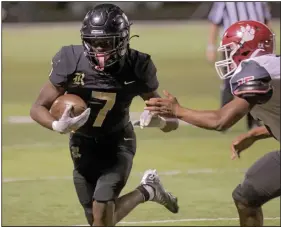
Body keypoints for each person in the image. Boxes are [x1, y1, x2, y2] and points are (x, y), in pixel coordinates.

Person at [30, 4, 179, 226]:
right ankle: (148, 190)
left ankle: (147, 190)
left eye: (106, 43)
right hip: (81, 143)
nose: (99, 49)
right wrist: (56, 125)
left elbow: (173, 121)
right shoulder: (70, 59)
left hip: (117, 143)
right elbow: (37, 107)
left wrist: (159, 121)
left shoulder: (137, 65)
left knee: (101, 217)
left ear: (122, 40)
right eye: (93, 42)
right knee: (96, 220)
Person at [145, 20, 280, 226]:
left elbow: (221, 121)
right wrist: (254, 134)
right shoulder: (271, 68)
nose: (227, 56)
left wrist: (177, 110)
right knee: (246, 196)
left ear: (244, 48)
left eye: (230, 50)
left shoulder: (256, 70)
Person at [206, 2, 272, 130]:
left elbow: (266, 21)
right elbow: (215, 21)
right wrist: (211, 46)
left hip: (255, 46)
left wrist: (268, 43)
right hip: (232, 46)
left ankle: (254, 120)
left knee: (255, 82)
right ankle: (225, 117)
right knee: (230, 82)